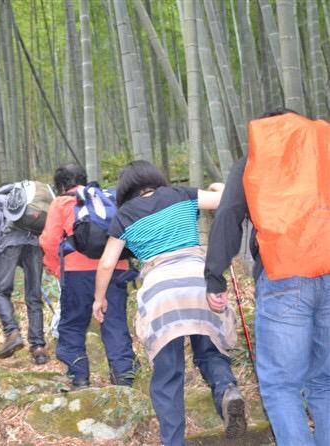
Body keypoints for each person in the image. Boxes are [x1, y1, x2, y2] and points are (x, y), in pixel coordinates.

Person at [93, 160, 246, 445]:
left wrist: (99, 300)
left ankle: (173, 441)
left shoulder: (123, 215)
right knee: (211, 351)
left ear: (125, 189)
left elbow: (106, 265)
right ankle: (227, 390)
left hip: (160, 292)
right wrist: (216, 185)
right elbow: (230, 197)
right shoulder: (180, 194)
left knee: (168, 373)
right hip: (200, 281)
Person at [204, 108, 330, 446]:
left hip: (284, 279)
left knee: (281, 386)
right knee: (325, 384)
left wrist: (213, 276)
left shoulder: (257, 158)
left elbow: (229, 215)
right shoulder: (324, 152)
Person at [40, 163, 139, 388]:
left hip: (78, 273)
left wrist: (57, 269)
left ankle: (79, 377)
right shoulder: (108, 199)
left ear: (61, 185)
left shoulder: (62, 202)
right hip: (116, 267)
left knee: (73, 323)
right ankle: (124, 377)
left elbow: (49, 241)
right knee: (114, 322)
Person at [0, 183, 49, 364]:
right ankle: (38, 348)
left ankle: (12, 333)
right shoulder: (29, 199)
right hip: (35, 245)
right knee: (34, 297)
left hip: (9, 243)